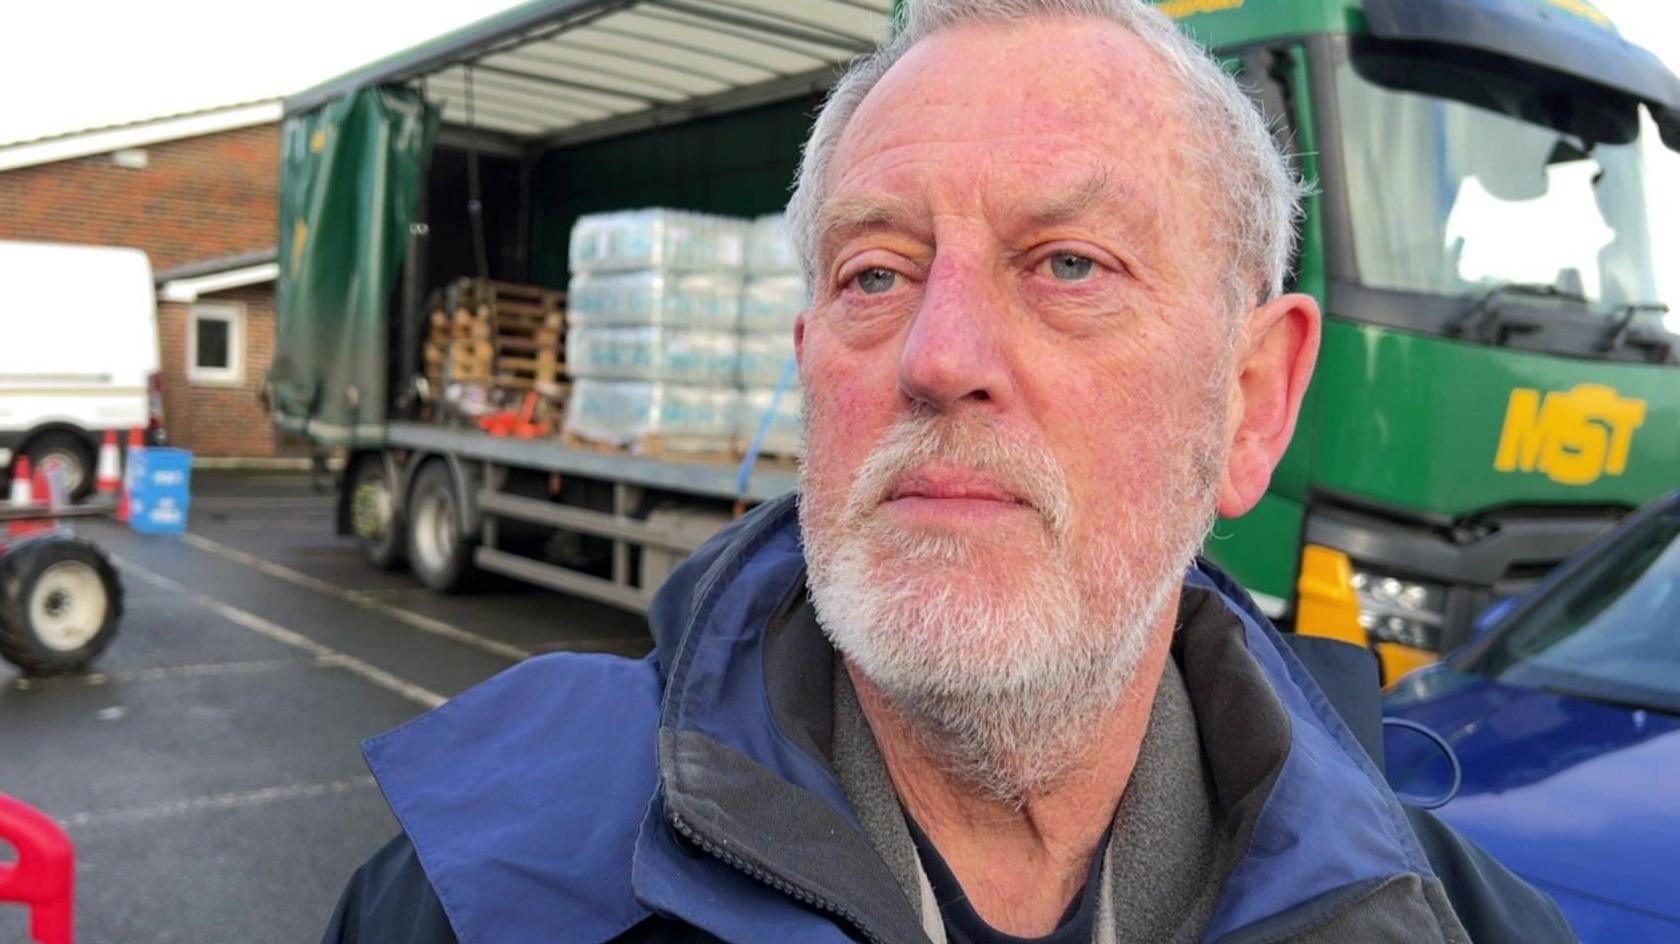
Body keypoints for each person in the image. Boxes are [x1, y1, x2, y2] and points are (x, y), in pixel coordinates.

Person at [325, 2, 1577, 941]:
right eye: (876, 271)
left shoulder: (1451, 921)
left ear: (1252, 401)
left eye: (1069, 263)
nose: (940, 356)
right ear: (812, 357)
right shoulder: (476, 892)